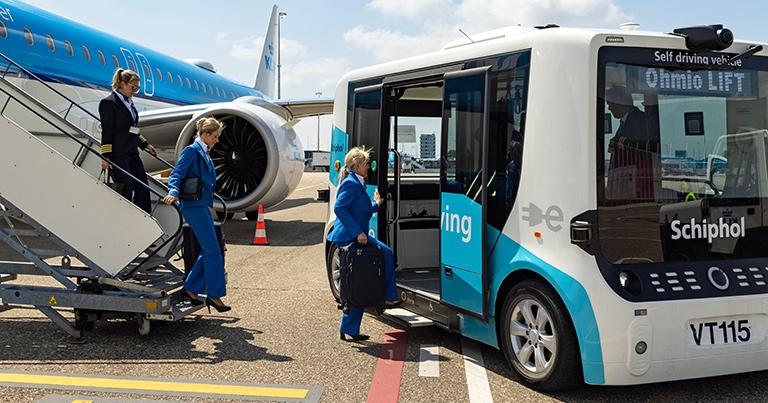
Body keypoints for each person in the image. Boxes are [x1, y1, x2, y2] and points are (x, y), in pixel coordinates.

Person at [328, 147, 400, 341]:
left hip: (358, 236)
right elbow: (340, 208)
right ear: (357, 165)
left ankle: (350, 327)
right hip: (351, 237)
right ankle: (388, 296)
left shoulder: (359, 182)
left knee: (361, 279)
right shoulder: (351, 184)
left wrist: (376, 203)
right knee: (380, 258)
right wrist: (357, 232)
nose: (369, 167)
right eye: (366, 163)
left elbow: (363, 210)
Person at [163, 117, 230, 313]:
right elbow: (177, 173)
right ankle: (214, 295)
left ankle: (191, 288)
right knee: (212, 250)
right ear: (206, 134)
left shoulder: (205, 152)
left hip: (202, 204)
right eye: (215, 136)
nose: (217, 140)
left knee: (211, 248)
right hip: (193, 206)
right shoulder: (192, 151)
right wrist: (173, 192)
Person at [99, 69, 158, 213]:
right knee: (127, 188)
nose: (135, 91)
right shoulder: (108, 103)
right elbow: (107, 131)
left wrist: (145, 144)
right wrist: (105, 156)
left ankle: (144, 220)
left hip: (132, 153)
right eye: (133, 87)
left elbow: (133, 129)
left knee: (143, 188)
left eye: (137, 88)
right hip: (118, 155)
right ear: (122, 84)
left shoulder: (130, 104)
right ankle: (126, 221)